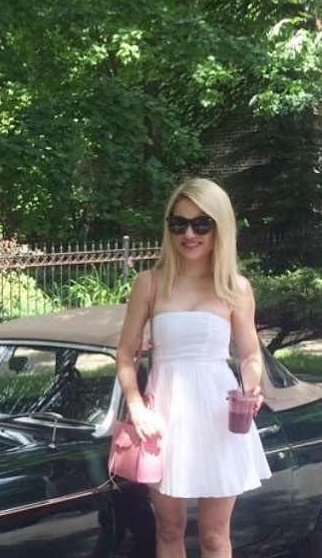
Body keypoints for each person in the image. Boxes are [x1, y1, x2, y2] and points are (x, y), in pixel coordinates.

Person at [116, 177, 271, 558]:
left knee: (215, 536)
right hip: (163, 418)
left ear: (220, 226)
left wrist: (248, 387)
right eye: (178, 223)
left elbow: (250, 355)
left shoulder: (235, 287)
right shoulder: (148, 284)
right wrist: (135, 406)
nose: (189, 233)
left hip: (221, 417)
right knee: (169, 529)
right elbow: (124, 354)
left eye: (201, 223)